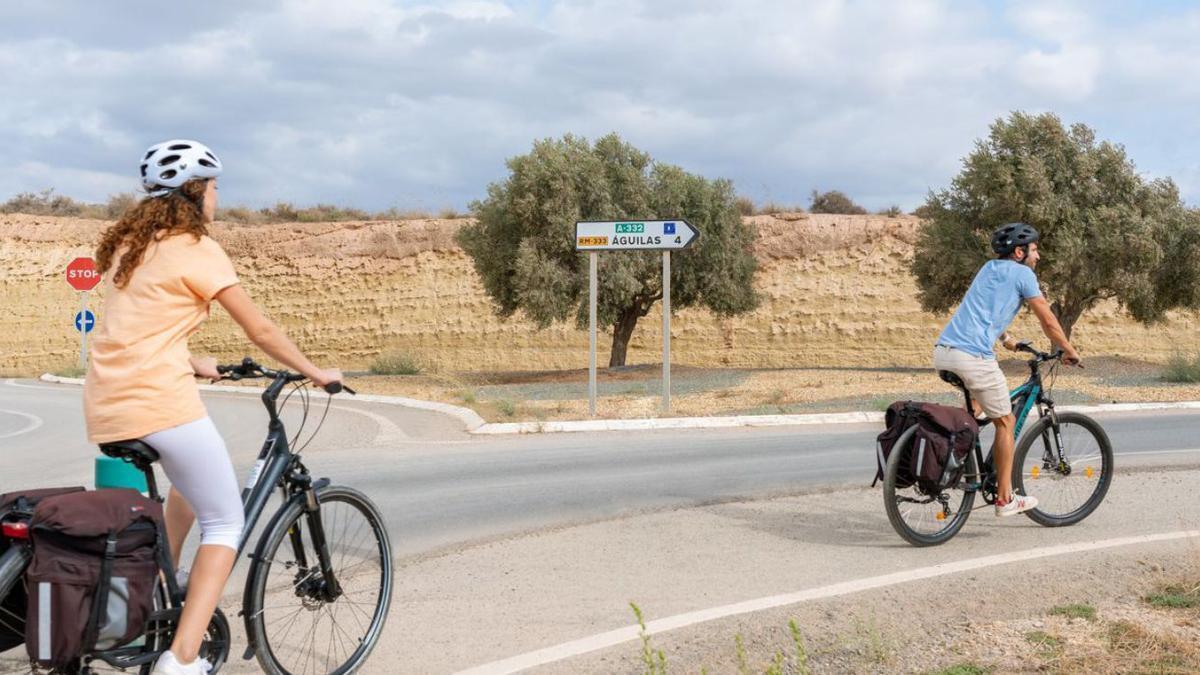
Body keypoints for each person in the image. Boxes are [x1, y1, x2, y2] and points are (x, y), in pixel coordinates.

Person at [84, 140, 342, 675]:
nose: (218, 197)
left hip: (109, 402)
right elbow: (261, 329)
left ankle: (165, 586)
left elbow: (138, 327)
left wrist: (191, 356)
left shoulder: (134, 246)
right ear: (195, 191)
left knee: (188, 486)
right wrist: (318, 373)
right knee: (227, 521)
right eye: (216, 187)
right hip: (159, 401)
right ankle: (180, 660)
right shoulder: (195, 247)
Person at [933, 222, 1081, 517]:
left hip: (944, 352)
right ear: (1019, 252)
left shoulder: (988, 268)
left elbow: (980, 308)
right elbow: (1049, 320)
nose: (1038, 256)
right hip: (973, 356)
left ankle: (953, 458)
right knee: (1006, 422)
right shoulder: (1024, 274)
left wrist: (1007, 339)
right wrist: (1068, 349)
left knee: (976, 407)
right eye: (1035, 250)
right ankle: (1005, 499)